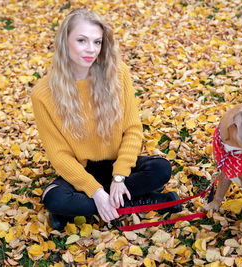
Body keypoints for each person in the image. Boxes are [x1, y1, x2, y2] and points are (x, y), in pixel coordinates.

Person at [31, 8, 181, 230]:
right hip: (81, 170)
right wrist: (95, 191)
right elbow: (58, 154)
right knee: (55, 199)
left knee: (161, 169)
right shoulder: (43, 93)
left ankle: (80, 210)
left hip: (118, 165)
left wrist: (119, 177)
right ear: (65, 41)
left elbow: (132, 128)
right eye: (82, 40)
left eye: (97, 42)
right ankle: (145, 201)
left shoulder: (117, 73)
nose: (91, 49)